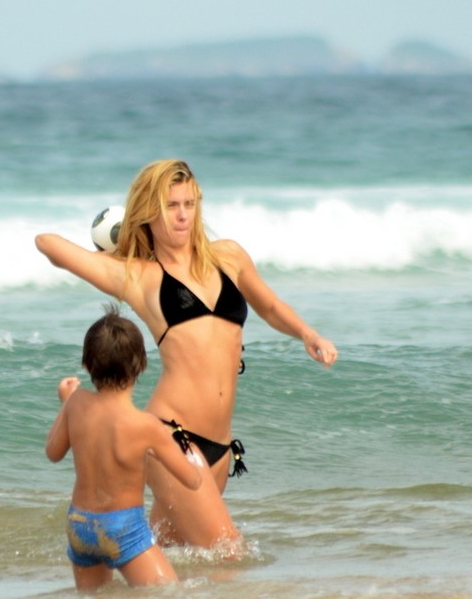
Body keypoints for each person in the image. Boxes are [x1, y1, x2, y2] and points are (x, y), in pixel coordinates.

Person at [36, 159, 337, 550]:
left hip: (220, 446)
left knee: (182, 560)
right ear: (150, 212)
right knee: (229, 554)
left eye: (189, 204)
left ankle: (109, 591)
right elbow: (48, 244)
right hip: (173, 435)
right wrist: (123, 246)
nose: (182, 215)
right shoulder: (141, 276)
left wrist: (306, 333)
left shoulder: (228, 256)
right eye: (170, 206)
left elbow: (271, 306)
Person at [45, 306, 201, 591]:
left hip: (80, 525)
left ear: (88, 364)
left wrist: (66, 402)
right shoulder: (145, 425)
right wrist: (186, 449)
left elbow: (53, 452)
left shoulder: (76, 402)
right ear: (140, 364)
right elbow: (192, 480)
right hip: (123, 528)